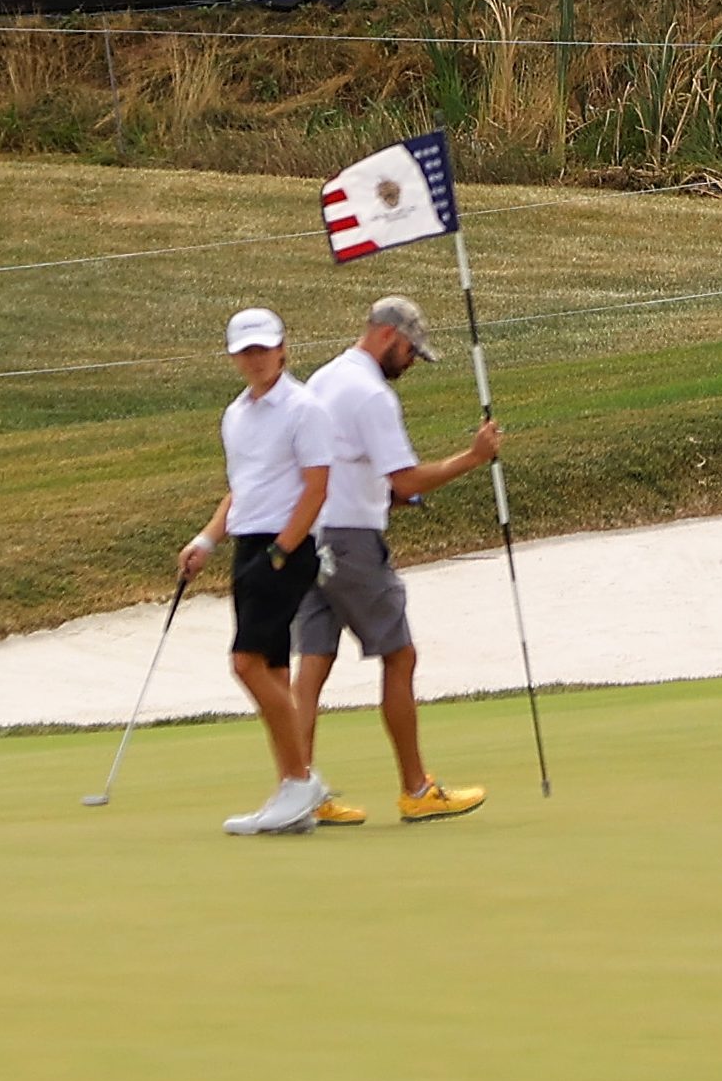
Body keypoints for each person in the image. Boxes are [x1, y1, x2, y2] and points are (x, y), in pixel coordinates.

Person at [289, 293, 507, 824]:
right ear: (389, 336)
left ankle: (298, 792)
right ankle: (416, 788)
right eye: (412, 351)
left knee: (312, 667)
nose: (412, 363)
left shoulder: (324, 379)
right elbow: (404, 476)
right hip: (351, 542)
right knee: (400, 655)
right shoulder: (371, 395)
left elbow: (337, 465)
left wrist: (386, 496)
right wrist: (474, 458)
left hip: (308, 536)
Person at [180, 307, 330, 836]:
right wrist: (207, 538)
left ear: (282, 348)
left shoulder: (304, 407)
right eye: (246, 351)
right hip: (249, 546)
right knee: (270, 670)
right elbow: (242, 489)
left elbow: (316, 487)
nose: (256, 359)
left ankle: (300, 782)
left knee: (245, 664)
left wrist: (282, 552)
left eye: (264, 349)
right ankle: (295, 792)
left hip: (285, 548)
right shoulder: (236, 414)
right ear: (234, 357)